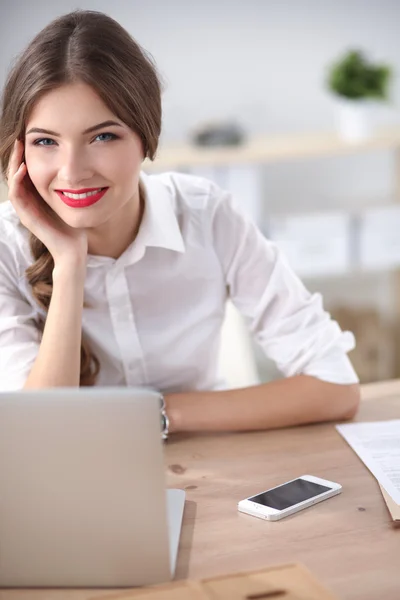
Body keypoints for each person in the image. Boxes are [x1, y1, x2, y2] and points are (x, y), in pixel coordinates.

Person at [0, 10, 360, 437]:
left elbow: (336, 387)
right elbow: (40, 436)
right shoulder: (7, 247)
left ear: (145, 136)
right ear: (19, 152)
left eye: (102, 136)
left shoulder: (206, 214)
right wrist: (69, 263)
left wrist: (155, 413)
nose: (72, 171)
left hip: (210, 461)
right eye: (46, 141)